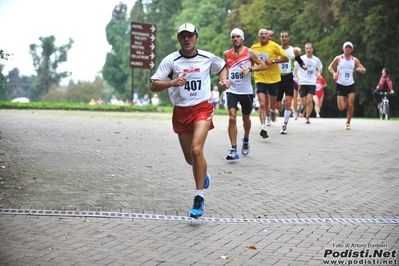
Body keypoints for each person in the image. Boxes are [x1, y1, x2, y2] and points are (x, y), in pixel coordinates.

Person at [150, 23, 230, 218]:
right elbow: (153, 85)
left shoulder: (206, 57)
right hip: (181, 111)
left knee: (196, 150)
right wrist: (171, 82)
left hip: (202, 108)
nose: (187, 39)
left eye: (190, 36)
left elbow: (222, 67)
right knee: (190, 159)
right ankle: (202, 173)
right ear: (179, 39)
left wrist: (224, 79)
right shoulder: (171, 60)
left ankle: (199, 197)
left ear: (197, 37)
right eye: (183, 36)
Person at [222, 28, 267, 160]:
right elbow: (223, 69)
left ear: (242, 39)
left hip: (246, 91)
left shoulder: (250, 53)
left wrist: (250, 68)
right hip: (232, 90)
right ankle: (234, 149)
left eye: (238, 37)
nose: (235, 39)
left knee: (245, 119)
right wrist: (223, 80)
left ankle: (246, 140)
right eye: (233, 37)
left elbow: (263, 65)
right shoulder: (226, 54)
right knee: (231, 118)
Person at [251, 29, 288, 138]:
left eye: (265, 34)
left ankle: (272, 111)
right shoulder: (254, 48)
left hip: (273, 79)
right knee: (262, 103)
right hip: (260, 78)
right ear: (258, 37)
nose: (263, 35)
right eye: (261, 34)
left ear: (268, 36)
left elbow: (285, 59)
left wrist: (272, 61)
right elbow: (249, 61)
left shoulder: (274, 46)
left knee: (272, 105)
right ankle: (263, 127)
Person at [328, 41, 366, 130]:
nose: (348, 48)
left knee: (350, 104)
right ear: (343, 49)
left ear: (352, 49)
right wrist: (334, 73)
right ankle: (344, 99)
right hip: (340, 84)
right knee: (341, 107)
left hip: (350, 84)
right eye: (346, 47)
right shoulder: (338, 58)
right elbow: (330, 67)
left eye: (349, 47)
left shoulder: (355, 60)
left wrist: (362, 70)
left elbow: (363, 68)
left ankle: (348, 122)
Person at [277, 30, 307, 134]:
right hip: (278, 79)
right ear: (280, 38)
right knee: (278, 106)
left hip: (289, 78)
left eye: (286, 36)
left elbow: (299, 60)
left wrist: (303, 66)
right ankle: (275, 110)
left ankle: (284, 125)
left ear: (289, 38)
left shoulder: (293, 50)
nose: (284, 38)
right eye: (282, 37)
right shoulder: (276, 49)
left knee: (289, 102)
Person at [294, 42, 323, 124]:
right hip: (302, 82)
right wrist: (297, 76)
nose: (308, 50)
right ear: (305, 49)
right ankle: (302, 108)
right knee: (303, 102)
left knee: (310, 100)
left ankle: (307, 117)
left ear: (312, 49)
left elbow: (320, 68)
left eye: (310, 48)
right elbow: (295, 69)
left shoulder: (316, 60)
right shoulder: (301, 59)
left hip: (312, 82)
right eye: (307, 48)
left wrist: (319, 73)